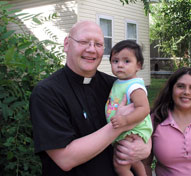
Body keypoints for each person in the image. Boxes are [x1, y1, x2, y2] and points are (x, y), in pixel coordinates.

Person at [29, 21, 151, 176]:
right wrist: (119, 124)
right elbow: (65, 159)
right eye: (84, 42)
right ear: (67, 44)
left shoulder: (116, 85)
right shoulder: (47, 93)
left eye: (99, 44)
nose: (92, 49)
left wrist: (145, 146)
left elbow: (144, 117)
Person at [106, 40, 153, 176]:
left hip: (132, 129)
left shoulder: (134, 86)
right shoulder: (119, 82)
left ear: (138, 65)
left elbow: (144, 109)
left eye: (126, 61)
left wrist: (125, 120)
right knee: (133, 161)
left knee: (120, 165)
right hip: (125, 128)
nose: (120, 65)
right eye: (115, 61)